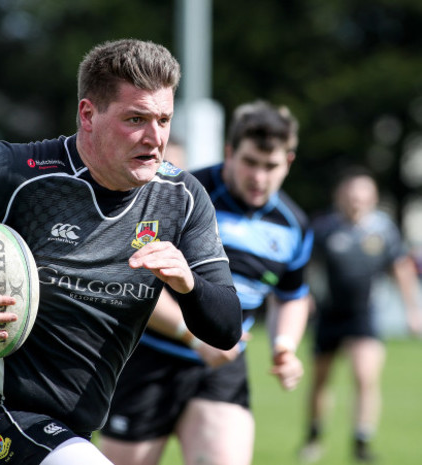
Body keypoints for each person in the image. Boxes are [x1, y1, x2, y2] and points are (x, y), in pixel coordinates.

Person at [0, 38, 242, 465]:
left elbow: (226, 329)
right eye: (136, 119)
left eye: (164, 120)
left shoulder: (182, 199)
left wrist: (189, 286)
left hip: (70, 433)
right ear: (88, 114)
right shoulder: (19, 172)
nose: (155, 138)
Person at [100, 100, 313, 465]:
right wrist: (193, 336)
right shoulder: (181, 196)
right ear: (229, 152)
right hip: (149, 356)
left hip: (222, 367)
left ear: (288, 163)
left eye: (271, 166)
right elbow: (132, 277)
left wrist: (284, 345)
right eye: (249, 162)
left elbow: (292, 295)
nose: (259, 177)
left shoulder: (293, 225)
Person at [299, 166, 422, 463]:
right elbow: (305, 266)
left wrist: (413, 310)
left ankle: (361, 442)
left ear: (372, 198)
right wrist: (305, 299)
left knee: (365, 376)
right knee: (320, 380)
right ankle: (314, 437)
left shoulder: (383, 230)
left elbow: (401, 269)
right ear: (340, 196)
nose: (356, 201)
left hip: (364, 314)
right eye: (351, 195)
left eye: (362, 195)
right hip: (329, 314)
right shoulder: (324, 227)